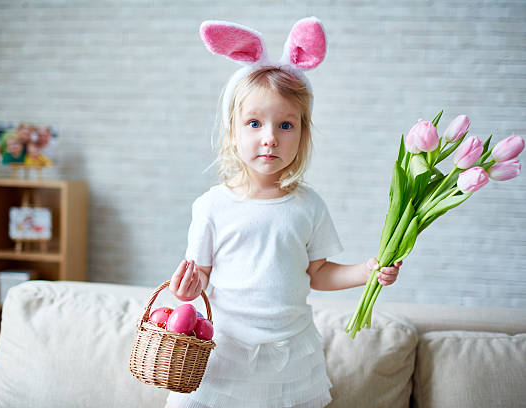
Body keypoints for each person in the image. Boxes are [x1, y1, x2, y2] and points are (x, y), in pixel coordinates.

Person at [165, 18, 402, 408]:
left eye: (286, 124)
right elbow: (201, 275)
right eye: (254, 123)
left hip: (290, 352)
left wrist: (368, 271)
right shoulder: (211, 206)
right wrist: (187, 288)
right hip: (227, 348)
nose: (270, 136)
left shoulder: (307, 206)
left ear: (303, 135)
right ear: (233, 132)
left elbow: (319, 272)